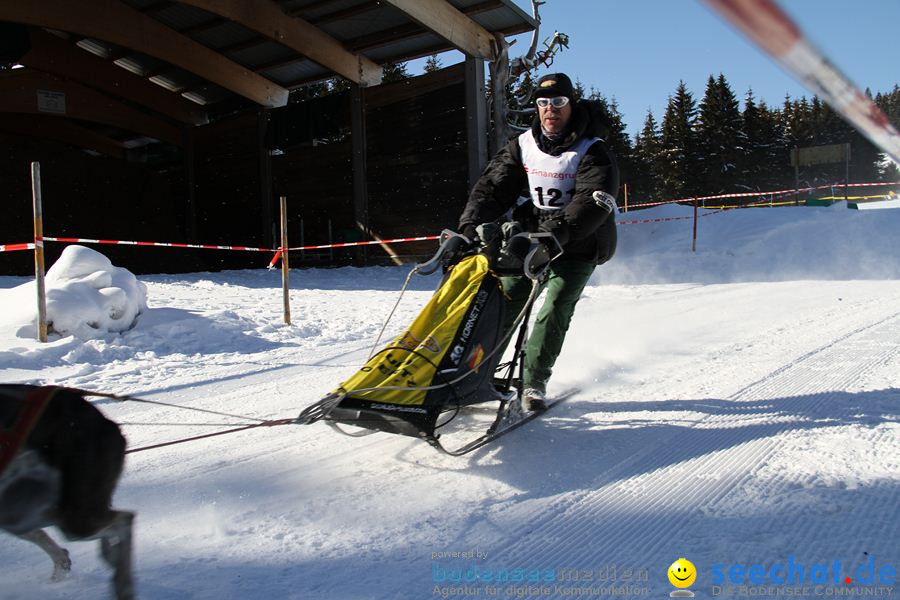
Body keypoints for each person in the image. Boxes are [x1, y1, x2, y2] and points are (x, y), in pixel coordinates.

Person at [456, 72, 620, 411]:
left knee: (555, 306)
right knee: (505, 302)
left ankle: (534, 382)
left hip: (579, 240)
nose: (550, 110)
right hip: (533, 236)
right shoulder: (524, 145)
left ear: (571, 104)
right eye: (543, 103)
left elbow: (593, 198)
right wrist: (470, 224)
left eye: (558, 102)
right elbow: (493, 186)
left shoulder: (593, 148)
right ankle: (475, 374)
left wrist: (560, 231)